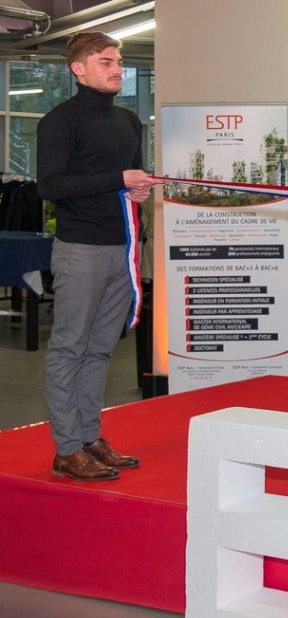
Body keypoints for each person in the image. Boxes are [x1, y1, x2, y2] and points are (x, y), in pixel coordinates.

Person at [38, 32, 157, 481]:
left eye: (119, 60)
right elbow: (49, 186)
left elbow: (123, 183)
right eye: (106, 61)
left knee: (101, 350)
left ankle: (88, 438)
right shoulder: (59, 122)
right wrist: (117, 177)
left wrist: (136, 187)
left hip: (122, 250)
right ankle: (67, 447)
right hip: (80, 250)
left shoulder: (128, 122)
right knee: (69, 348)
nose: (117, 68)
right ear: (79, 68)